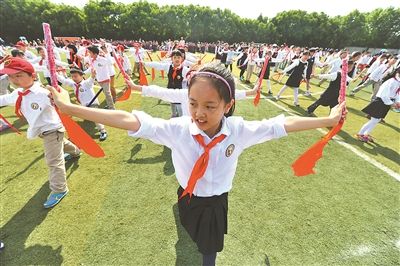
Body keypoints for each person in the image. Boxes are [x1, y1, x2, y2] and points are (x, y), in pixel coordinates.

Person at [47, 62, 346, 266]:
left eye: (210, 106)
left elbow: (281, 124)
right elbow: (131, 120)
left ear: (228, 106)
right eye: (192, 103)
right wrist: (70, 107)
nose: (199, 113)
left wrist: (329, 120)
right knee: (189, 228)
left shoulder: (239, 130)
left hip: (216, 201)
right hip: (186, 196)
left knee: (210, 248)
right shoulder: (178, 129)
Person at [0, 57, 81, 208]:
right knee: (61, 144)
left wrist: (55, 96)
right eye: (11, 76)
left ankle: (59, 189)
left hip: (52, 130)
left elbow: (62, 105)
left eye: (19, 75)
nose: (14, 80)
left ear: (33, 76)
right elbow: (3, 99)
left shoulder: (43, 93)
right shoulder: (18, 93)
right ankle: (76, 152)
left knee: (53, 160)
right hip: (43, 132)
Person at [57, 68, 108, 141]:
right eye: (72, 76)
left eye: (76, 76)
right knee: (80, 114)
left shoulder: (86, 83)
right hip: (84, 105)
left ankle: (102, 131)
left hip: (93, 104)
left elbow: (91, 80)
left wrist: (93, 76)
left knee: (95, 117)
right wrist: (54, 73)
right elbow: (64, 80)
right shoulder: (73, 84)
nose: (74, 78)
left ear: (81, 76)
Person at [356, 68, 400, 142]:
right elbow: (384, 95)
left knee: (377, 120)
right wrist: (391, 103)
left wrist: (397, 101)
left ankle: (366, 134)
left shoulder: (398, 82)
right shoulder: (391, 81)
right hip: (380, 102)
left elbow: (397, 94)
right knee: (374, 120)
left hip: (386, 103)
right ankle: (360, 134)